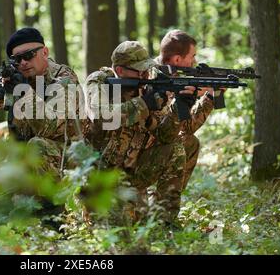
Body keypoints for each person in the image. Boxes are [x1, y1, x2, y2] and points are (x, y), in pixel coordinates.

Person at [84, 41, 192, 223]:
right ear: (119, 70)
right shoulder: (99, 80)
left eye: (146, 70)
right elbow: (100, 116)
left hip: (133, 173)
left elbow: (165, 136)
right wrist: (144, 104)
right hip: (102, 177)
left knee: (175, 149)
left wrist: (179, 108)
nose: (145, 75)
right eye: (139, 71)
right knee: (116, 232)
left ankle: (166, 222)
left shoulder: (146, 87)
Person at [0, 27, 82, 179]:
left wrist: (24, 92)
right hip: (22, 160)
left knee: (38, 146)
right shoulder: (17, 76)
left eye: (29, 55)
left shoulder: (64, 78)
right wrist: (1, 92)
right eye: (17, 59)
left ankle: (51, 203)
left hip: (63, 159)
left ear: (45, 52)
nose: (23, 62)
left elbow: (49, 128)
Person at [153, 30, 215, 191]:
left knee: (190, 142)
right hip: (143, 143)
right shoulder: (150, 77)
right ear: (177, 59)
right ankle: (162, 205)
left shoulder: (179, 77)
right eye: (192, 56)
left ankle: (168, 198)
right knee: (181, 145)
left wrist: (209, 97)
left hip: (159, 140)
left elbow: (187, 128)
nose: (195, 61)